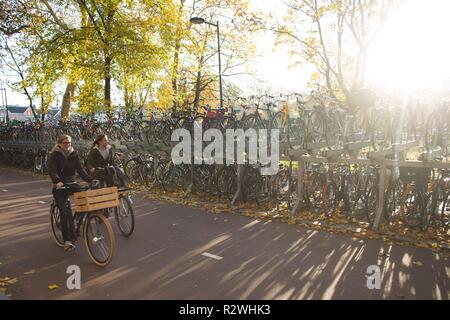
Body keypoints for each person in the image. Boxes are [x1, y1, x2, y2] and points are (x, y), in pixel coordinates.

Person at [48, 134, 93, 251]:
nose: (68, 145)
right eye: (65, 143)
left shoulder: (74, 154)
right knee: (64, 212)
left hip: (72, 183)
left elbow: (81, 170)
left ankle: (76, 220)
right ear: (59, 144)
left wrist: (90, 179)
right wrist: (57, 181)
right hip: (60, 185)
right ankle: (67, 240)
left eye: (69, 143)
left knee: (85, 198)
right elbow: (52, 171)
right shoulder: (55, 154)